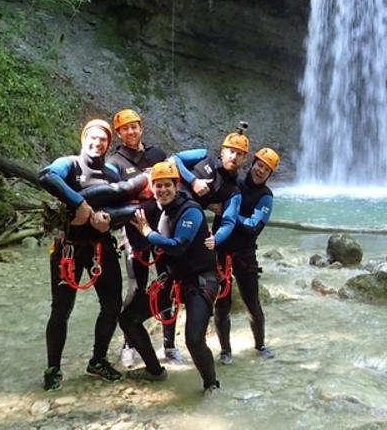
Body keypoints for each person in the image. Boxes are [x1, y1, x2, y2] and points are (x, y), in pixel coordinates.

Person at [38, 119, 142, 391]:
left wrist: (109, 220)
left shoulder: (111, 172)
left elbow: (123, 210)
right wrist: (80, 203)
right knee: (61, 309)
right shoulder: (69, 164)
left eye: (103, 139)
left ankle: (97, 361)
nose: (97, 143)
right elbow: (47, 176)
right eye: (93, 138)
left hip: (101, 246)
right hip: (69, 247)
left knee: (111, 305)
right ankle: (53, 368)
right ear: (84, 138)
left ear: (109, 143)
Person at [118, 160, 221, 394]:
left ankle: (211, 385)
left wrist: (148, 233)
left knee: (194, 340)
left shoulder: (191, 211)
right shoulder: (162, 210)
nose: (163, 190)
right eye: (158, 186)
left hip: (200, 281)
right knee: (128, 319)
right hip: (175, 280)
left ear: (176, 186)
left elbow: (177, 247)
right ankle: (155, 371)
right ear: (152, 189)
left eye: (167, 185)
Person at [162, 125, 248, 357]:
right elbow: (174, 159)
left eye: (239, 154)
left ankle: (214, 345)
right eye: (230, 150)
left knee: (193, 284)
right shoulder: (203, 155)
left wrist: (215, 239)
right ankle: (168, 345)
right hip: (170, 220)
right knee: (166, 283)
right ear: (222, 151)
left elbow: (229, 220)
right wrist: (192, 181)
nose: (233, 156)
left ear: (243, 159)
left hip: (194, 234)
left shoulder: (233, 190)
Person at [106, 108, 170, 367]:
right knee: (135, 288)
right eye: (125, 128)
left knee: (167, 283)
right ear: (119, 133)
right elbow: (116, 199)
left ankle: (169, 343)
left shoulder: (157, 155)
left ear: (141, 128)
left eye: (135, 126)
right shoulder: (116, 164)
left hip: (163, 229)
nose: (131, 131)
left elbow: (172, 188)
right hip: (134, 233)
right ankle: (128, 342)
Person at [214, 147, 279, 364]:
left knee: (252, 303)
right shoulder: (233, 183)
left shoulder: (266, 197)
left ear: (270, 174)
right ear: (252, 164)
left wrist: (227, 212)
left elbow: (253, 227)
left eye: (266, 169)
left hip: (245, 253)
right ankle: (225, 350)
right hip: (221, 250)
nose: (260, 171)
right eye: (259, 165)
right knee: (222, 304)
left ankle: (260, 345)